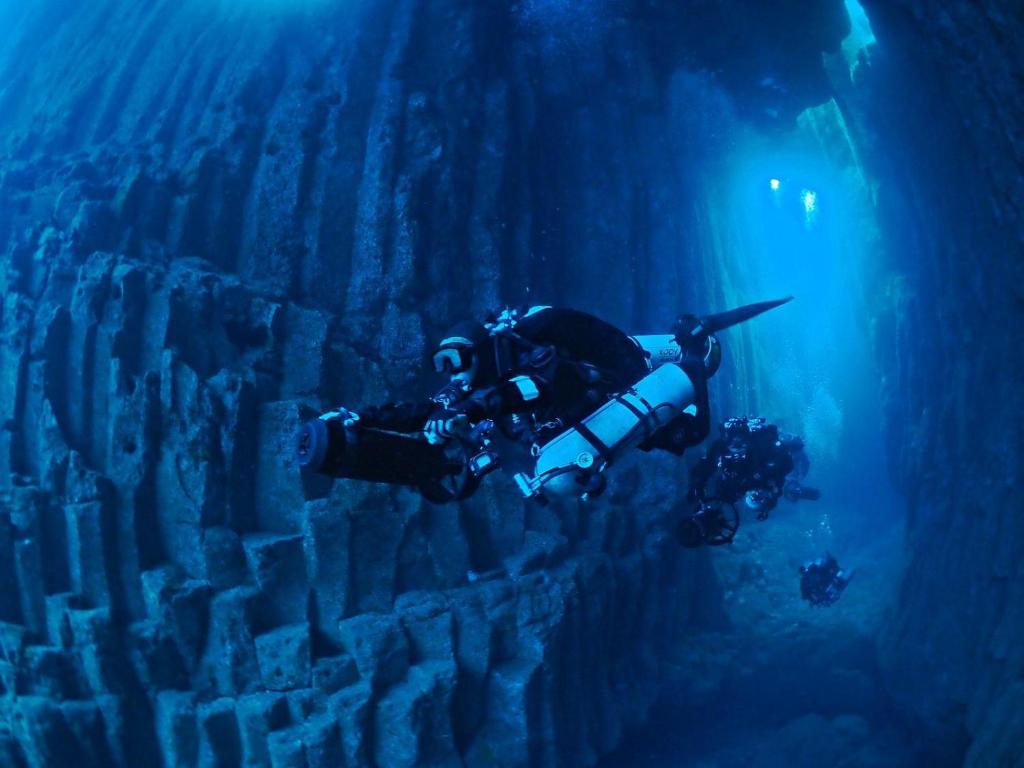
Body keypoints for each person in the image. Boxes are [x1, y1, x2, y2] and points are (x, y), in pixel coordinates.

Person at [687, 416, 819, 521]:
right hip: (755, 474)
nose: (738, 450)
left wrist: (771, 492)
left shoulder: (762, 452)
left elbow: (784, 466)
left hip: (759, 473)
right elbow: (705, 466)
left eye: (740, 444)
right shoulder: (723, 448)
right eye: (735, 445)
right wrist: (697, 485)